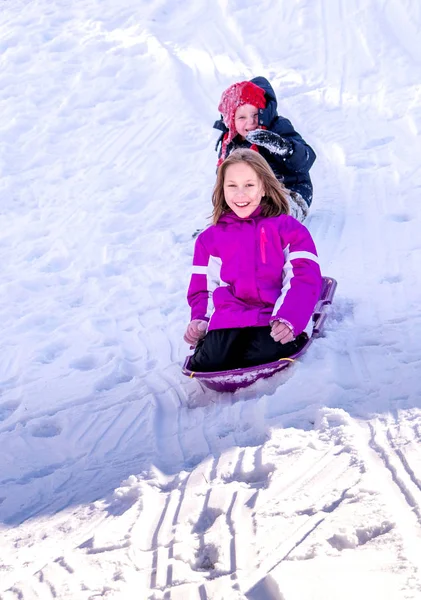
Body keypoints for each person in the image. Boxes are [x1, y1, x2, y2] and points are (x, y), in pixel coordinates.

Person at [184, 149, 322, 373]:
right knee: (210, 361)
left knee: (266, 351)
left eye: (249, 185)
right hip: (228, 317)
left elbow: (303, 277)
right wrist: (200, 319)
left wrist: (289, 318)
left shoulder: (287, 229)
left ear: (264, 187)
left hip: (272, 314)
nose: (240, 194)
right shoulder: (209, 239)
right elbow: (204, 288)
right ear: (222, 190)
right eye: (232, 186)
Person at [213, 76, 316, 222]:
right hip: (252, 195)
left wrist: (280, 146)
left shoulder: (277, 128)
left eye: (255, 115)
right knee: (235, 210)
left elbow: (306, 159)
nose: (250, 122)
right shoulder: (230, 142)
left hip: (289, 192)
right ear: (231, 120)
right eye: (242, 117)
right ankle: (226, 231)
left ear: (263, 113)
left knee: (273, 213)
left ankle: (271, 232)